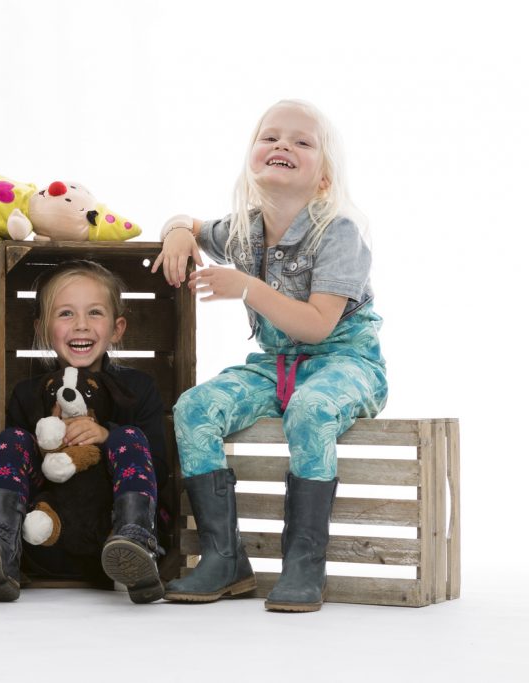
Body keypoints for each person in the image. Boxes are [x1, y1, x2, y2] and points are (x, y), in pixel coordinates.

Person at [152, 99, 388, 612]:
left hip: (346, 363)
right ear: (252, 158)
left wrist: (248, 288)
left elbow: (318, 323)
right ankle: (224, 558)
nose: (282, 145)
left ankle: (305, 564)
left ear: (323, 178)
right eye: (271, 137)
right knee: (194, 408)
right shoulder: (243, 227)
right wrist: (175, 232)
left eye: (302, 142)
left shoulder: (338, 232)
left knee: (310, 409)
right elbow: (187, 222)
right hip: (277, 369)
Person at [0, 260, 169, 603]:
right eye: (66, 313)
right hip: (46, 540)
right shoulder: (28, 393)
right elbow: (22, 475)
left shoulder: (137, 389)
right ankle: (0, 549)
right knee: (13, 440)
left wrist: (107, 435)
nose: (81, 326)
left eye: (95, 313)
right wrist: (48, 443)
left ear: (117, 328)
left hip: (111, 545)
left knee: (129, 436)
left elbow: (159, 467)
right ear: (42, 327)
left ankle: (136, 541)